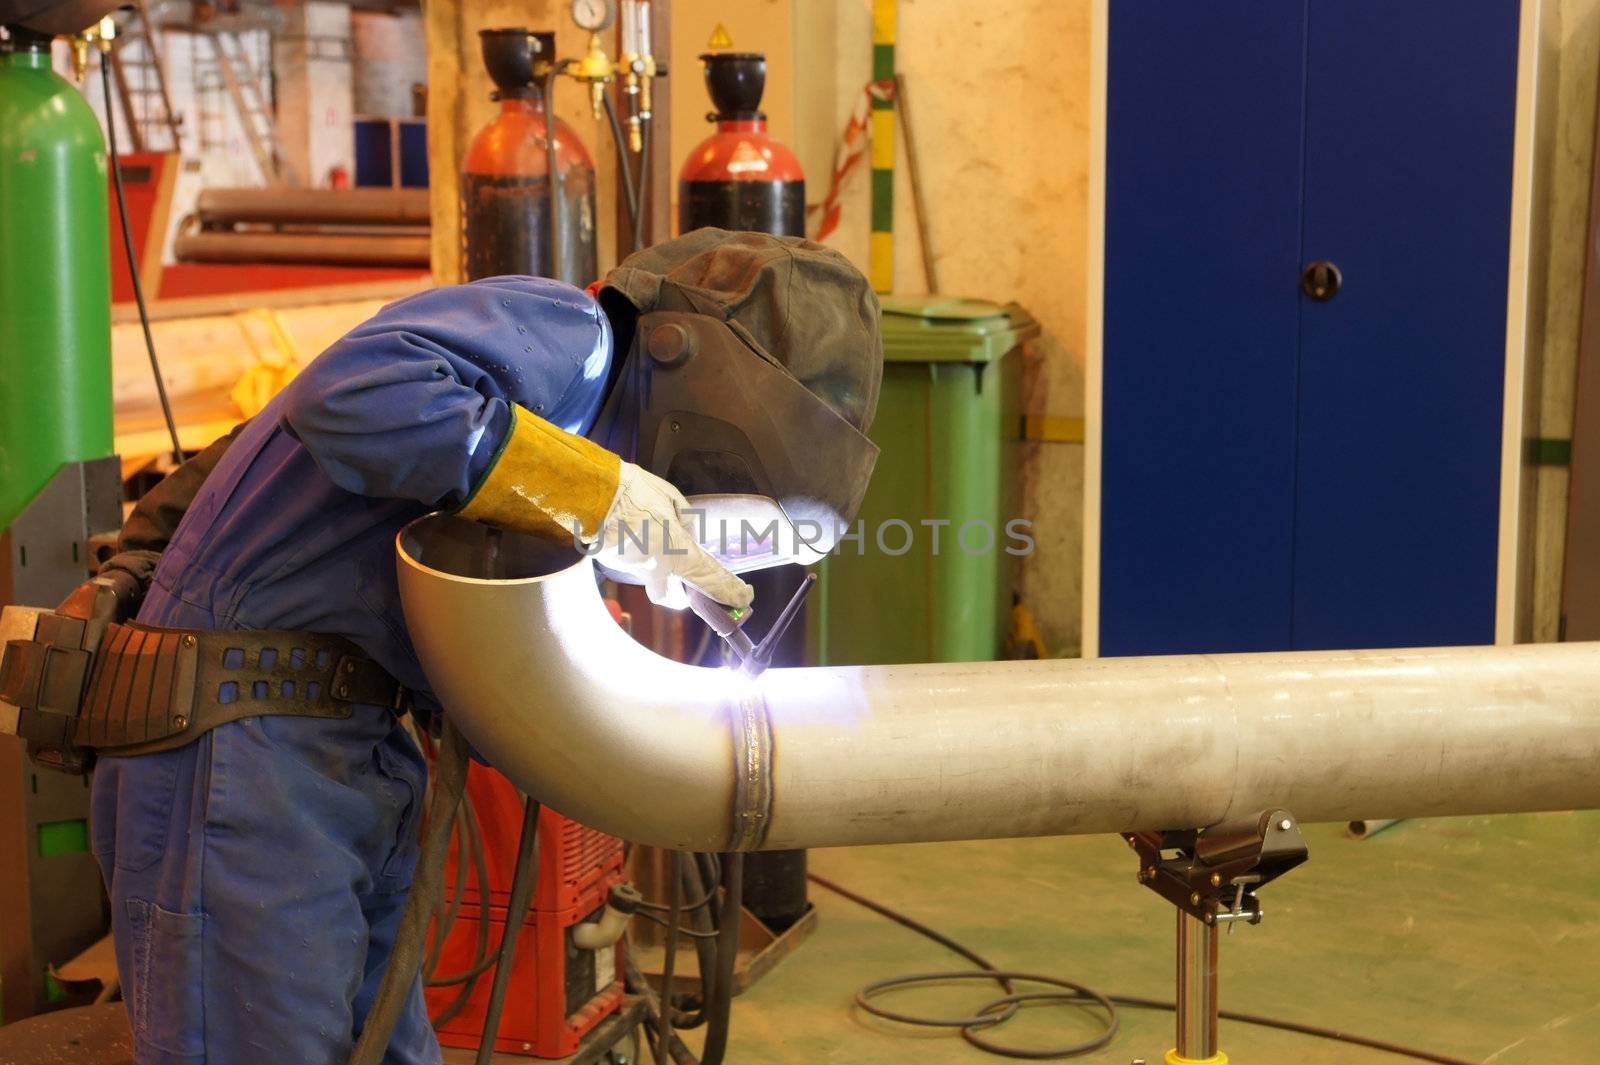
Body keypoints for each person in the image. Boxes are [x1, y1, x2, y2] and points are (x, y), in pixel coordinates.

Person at [80, 229, 882, 1064]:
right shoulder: (575, 338)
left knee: (390, 1048)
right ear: (692, 362)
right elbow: (352, 394)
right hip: (243, 749)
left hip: (342, 750)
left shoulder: (550, 440)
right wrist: (597, 494)